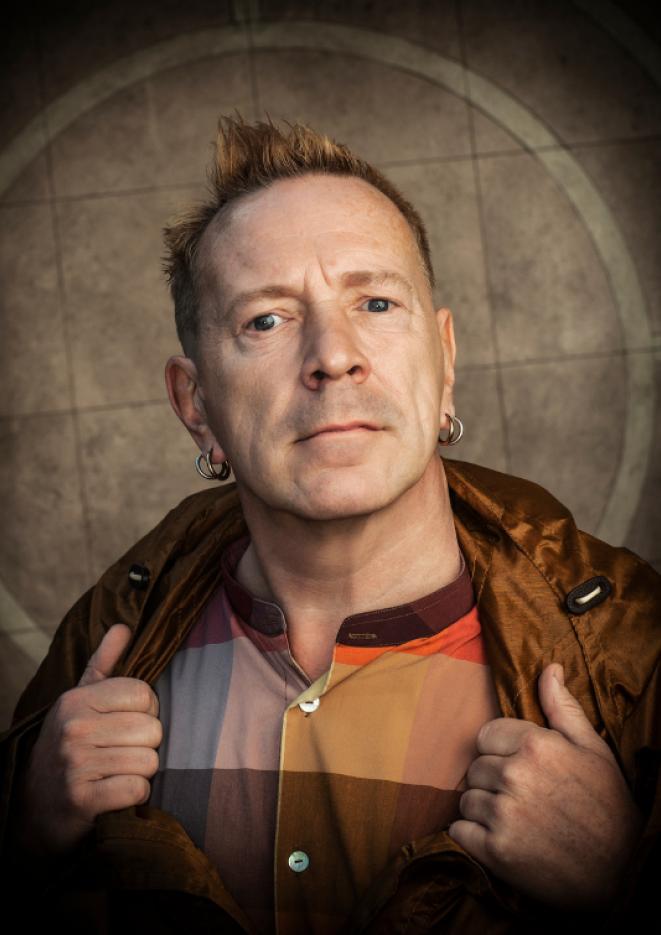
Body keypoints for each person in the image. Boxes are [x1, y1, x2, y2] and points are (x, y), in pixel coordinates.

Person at [1, 112, 659, 935]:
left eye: (376, 301)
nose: (333, 354)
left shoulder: (635, 647)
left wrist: (625, 873)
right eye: (265, 320)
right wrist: (24, 835)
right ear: (195, 404)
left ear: (444, 361)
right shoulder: (103, 651)